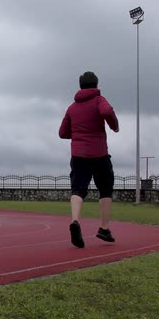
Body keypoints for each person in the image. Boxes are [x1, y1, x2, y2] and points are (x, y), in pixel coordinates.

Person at [59, 71, 119, 248]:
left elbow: (62, 133)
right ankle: (104, 228)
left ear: (80, 85)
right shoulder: (99, 100)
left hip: (78, 155)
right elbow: (107, 111)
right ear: (96, 84)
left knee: (78, 189)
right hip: (99, 153)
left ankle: (75, 220)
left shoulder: (72, 108)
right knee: (105, 189)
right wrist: (114, 125)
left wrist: (77, 134)